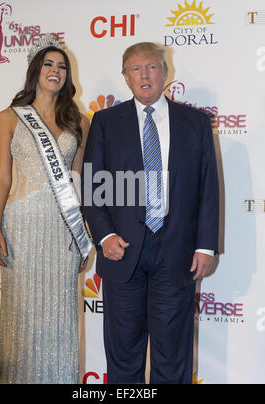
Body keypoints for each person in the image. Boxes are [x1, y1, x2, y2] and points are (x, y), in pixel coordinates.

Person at [82, 42, 219, 384]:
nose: (145, 75)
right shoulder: (104, 122)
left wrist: (205, 246)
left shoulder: (196, 123)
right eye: (136, 69)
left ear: (165, 73)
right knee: (123, 355)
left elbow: (208, 188)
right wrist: (105, 235)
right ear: (125, 78)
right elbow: (92, 187)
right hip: (121, 251)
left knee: (173, 355)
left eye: (152, 67)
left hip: (177, 253)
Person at [0, 34, 92, 384]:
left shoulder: (80, 121)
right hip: (21, 227)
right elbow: (2, 178)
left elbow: (79, 182)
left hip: (63, 228)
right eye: (48, 64)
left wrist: (84, 236)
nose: (56, 70)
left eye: (62, 66)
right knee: (21, 314)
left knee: (59, 315)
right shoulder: (9, 118)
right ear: (35, 70)